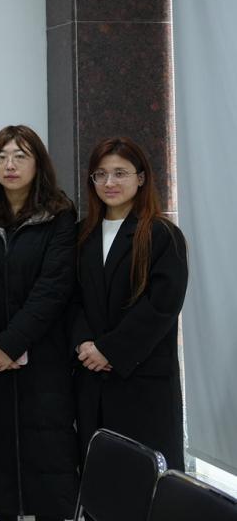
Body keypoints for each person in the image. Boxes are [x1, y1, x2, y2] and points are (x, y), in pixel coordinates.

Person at [0, 125, 78, 521]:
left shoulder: (59, 216)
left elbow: (53, 288)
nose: (10, 165)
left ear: (38, 163)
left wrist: (11, 343)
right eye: (2, 157)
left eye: (21, 156)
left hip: (42, 359)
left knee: (47, 462)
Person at [72, 137, 187, 469]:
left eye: (120, 173)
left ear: (141, 178)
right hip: (92, 379)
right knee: (99, 479)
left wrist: (109, 349)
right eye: (101, 174)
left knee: (146, 480)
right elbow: (70, 299)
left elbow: (161, 306)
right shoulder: (81, 235)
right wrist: (84, 343)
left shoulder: (162, 234)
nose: (110, 182)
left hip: (143, 381)